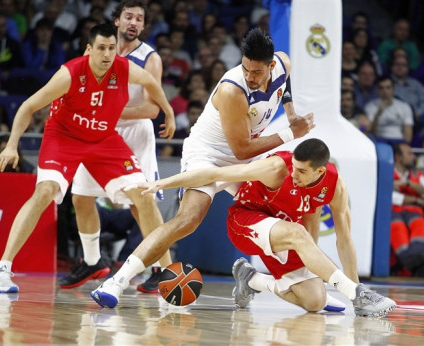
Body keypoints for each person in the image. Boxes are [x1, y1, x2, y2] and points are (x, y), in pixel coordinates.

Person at [89, 27, 315, 309]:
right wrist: (291, 133)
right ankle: (116, 282)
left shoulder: (283, 62)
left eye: (256, 72)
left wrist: (290, 113)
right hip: (208, 154)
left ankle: (297, 279)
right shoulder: (233, 89)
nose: (249, 76)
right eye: (245, 68)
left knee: (288, 203)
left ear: (271, 65)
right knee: (188, 220)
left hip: (244, 153)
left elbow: (285, 82)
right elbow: (241, 149)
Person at [0, 22, 176, 294]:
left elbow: (150, 81)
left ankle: (168, 272)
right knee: (46, 191)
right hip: (64, 137)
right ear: (89, 49)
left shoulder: (123, 68)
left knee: (143, 195)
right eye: (101, 48)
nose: (107, 54)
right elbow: (28, 106)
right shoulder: (69, 74)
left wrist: (168, 111)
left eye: (112, 49)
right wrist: (11, 145)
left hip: (104, 139)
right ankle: (3, 269)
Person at [135, 138, 397, 316]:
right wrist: (163, 183)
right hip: (245, 221)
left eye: (302, 172)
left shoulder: (335, 187)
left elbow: (344, 240)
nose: (293, 174)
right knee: (298, 232)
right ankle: (359, 295)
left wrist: (352, 277)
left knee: (314, 302)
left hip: (282, 234)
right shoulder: (276, 167)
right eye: (294, 167)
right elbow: (215, 174)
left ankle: (253, 280)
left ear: (320, 172)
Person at [61, 0, 174, 293]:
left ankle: (164, 269)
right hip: (99, 133)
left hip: (134, 134)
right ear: (117, 21)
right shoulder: (100, 51)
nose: (134, 22)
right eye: (129, 17)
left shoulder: (150, 58)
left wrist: (110, 111)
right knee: (81, 197)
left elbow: (151, 110)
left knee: (141, 204)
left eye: (139, 18)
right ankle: (93, 260)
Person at [391, 142, 424, 277]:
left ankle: (412, 261)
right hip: (394, 210)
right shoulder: (388, 172)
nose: (413, 156)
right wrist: (414, 199)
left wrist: (408, 183)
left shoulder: (417, 175)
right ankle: (419, 263)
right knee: (397, 227)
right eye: (409, 153)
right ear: (398, 157)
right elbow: (392, 197)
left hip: (414, 211)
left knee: (420, 224)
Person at [365, 76, 414, 144]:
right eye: (381, 88)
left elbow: (408, 135)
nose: (385, 91)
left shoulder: (404, 106)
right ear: (377, 90)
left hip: (399, 142)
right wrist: (379, 113)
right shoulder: (370, 106)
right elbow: (370, 132)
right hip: (379, 142)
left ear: (393, 89)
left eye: (388, 87)